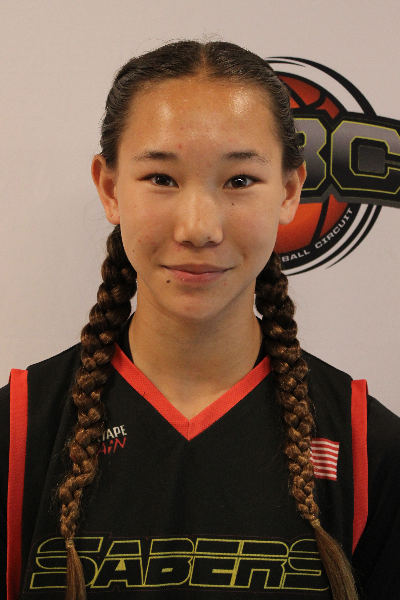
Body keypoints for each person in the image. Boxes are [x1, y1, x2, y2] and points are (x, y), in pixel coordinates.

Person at [1, 40, 400, 600]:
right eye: (162, 178)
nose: (198, 228)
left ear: (289, 191)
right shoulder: (18, 430)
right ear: (110, 189)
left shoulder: (366, 443)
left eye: (239, 180)